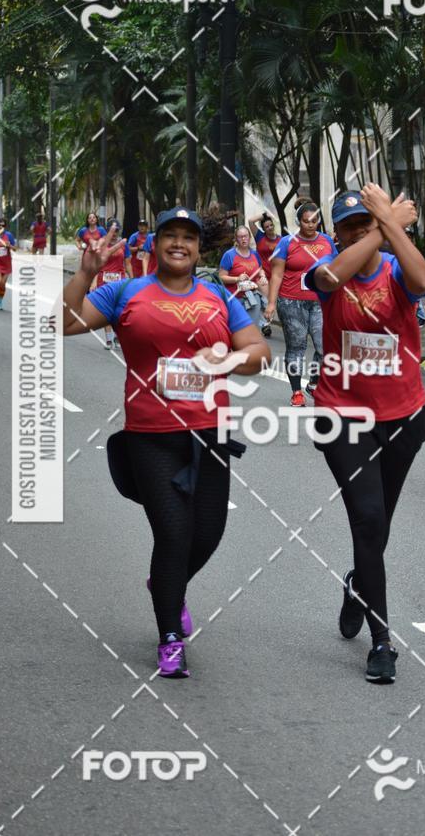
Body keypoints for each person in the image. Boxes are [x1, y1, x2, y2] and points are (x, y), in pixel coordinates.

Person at [62, 206, 270, 678]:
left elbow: (258, 353)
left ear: (199, 248)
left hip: (210, 434)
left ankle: (164, 586)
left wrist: (221, 361)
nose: (179, 244)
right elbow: (63, 323)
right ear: (155, 243)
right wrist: (86, 274)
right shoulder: (126, 292)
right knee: (173, 533)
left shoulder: (219, 296)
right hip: (151, 436)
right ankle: (170, 637)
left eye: (188, 238)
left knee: (208, 533)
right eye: (170, 235)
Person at [304, 185, 425, 684]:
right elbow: (333, 275)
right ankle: (382, 642)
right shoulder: (325, 274)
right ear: (336, 233)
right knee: (368, 519)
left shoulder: (396, 267)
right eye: (350, 226)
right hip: (343, 417)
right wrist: (385, 220)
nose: (360, 232)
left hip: (402, 416)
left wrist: (390, 229)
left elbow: (422, 281)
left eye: (366, 222)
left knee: (377, 530)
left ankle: (358, 583)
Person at [265, 202, 336, 405]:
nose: (311, 225)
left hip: (320, 302)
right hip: (291, 302)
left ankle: (313, 382)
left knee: (325, 347)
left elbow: (336, 271)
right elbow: (277, 275)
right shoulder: (287, 243)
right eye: (306, 221)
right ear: (299, 222)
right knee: (296, 347)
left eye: (314, 221)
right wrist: (271, 304)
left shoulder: (327, 242)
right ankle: (296, 391)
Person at [218, 226, 267, 329]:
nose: (243, 239)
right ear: (236, 239)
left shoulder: (254, 254)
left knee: (252, 329)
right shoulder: (229, 255)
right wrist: (237, 279)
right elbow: (221, 277)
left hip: (253, 297)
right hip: (235, 299)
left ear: (249, 237)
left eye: (245, 236)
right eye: (240, 237)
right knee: (236, 330)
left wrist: (262, 276)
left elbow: (260, 269)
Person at [96, 219, 132, 350]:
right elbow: (96, 263)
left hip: (119, 281)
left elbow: (127, 263)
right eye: (113, 230)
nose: (115, 233)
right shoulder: (102, 243)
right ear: (107, 230)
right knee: (106, 310)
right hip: (103, 280)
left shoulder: (124, 244)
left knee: (119, 311)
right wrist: (93, 281)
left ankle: (117, 337)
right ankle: (109, 340)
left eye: (117, 230)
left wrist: (132, 279)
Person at [248, 211, 282, 337]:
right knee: (267, 299)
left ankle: (266, 323)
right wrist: (264, 214)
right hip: (262, 274)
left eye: (271, 225)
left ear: (273, 225)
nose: (269, 228)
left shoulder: (281, 240)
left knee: (273, 301)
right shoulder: (260, 237)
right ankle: (266, 325)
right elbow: (251, 221)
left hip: (276, 275)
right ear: (263, 229)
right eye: (266, 227)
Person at [0, 218, 17, 310]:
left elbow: (15, 248)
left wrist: (10, 246)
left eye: (3, 225)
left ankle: (0, 301)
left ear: (5, 227)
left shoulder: (9, 235)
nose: (1, 227)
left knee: (2, 284)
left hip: (6, 263)